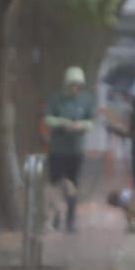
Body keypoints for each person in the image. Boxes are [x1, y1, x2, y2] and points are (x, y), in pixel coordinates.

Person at [43, 66, 96, 233]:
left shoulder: (86, 99)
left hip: (76, 150)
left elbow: (92, 121)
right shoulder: (55, 98)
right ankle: (55, 218)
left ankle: (71, 222)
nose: (75, 89)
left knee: (73, 186)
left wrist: (81, 125)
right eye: (72, 85)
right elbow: (47, 119)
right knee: (55, 185)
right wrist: (62, 122)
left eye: (78, 86)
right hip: (58, 150)